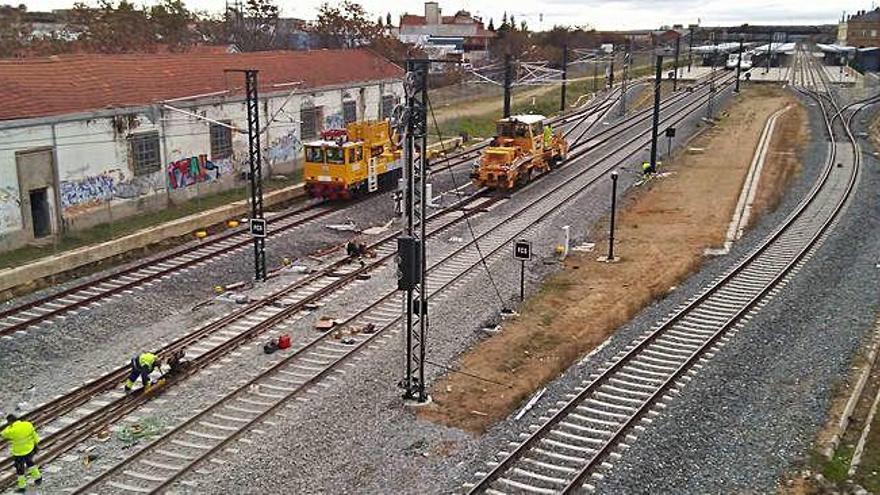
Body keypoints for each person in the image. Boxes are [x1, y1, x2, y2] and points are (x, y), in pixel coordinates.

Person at [1, 414, 42, 493]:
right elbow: (34, 435)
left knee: (20, 469)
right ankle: (38, 477)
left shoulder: (11, 430)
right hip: (29, 449)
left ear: (10, 422)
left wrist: (10, 426)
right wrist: (36, 444)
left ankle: (22, 487)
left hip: (18, 452)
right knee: (30, 463)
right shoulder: (27, 424)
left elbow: (3, 434)